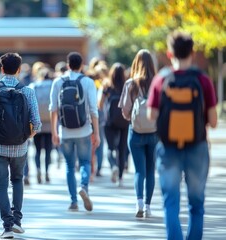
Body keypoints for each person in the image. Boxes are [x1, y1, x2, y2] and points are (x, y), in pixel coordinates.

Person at [148, 31, 217, 240]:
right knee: (196, 204)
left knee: (170, 203)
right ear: (193, 53)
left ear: (170, 53)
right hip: (197, 147)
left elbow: (152, 115)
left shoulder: (161, 79)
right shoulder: (203, 80)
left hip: (168, 148)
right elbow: (213, 121)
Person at [0, 52, 41, 239]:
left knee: (1, 185)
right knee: (18, 180)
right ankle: (17, 221)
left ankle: (7, 227)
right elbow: (36, 124)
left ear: (2, 69)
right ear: (19, 69)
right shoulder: (27, 91)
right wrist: (25, 137)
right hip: (20, 147)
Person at [50, 52, 100, 212]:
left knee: (69, 166)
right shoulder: (88, 82)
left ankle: (73, 201)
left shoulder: (58, 81)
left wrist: (54, 132)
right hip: (84, 130)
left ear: (68, 64)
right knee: (85, 162)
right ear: (82, 64)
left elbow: (53, 109)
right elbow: (94, 110)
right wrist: (96, 133)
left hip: (64, 131)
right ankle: (83, 187)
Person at [119, 49, 158, 218]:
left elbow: (125, 111)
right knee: (150, 170)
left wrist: (132, 118)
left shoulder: (131, 84)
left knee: (139, 171)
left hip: (135, 132)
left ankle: (139, 203)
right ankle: (148, 207)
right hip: (154, 132)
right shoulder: (158, 82)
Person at [98, 63, 129, 186]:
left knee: (110, 148)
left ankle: (113, 166)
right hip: (124, 121)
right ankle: (120, 178)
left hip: (109, 121)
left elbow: (99, 104)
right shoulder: (127, 86)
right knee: (122, 149)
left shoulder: (107, 86)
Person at [29, 67, 53, 183]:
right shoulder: (53, 85)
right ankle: (47, 171)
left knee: (37, 150)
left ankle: (38, 168)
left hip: (37, 122)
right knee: (48, 150)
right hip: (50, 122)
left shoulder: (34, 86)